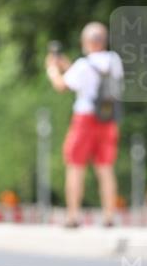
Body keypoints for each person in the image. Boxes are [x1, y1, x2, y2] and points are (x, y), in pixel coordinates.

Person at [46, 22, 123, 227]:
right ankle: (109, 215)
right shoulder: (114, 61)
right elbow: (90, 75)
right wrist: (68, 65)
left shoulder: (83, 65)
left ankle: (73, 216)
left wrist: (53, 69)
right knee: (105, 167)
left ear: (87, 42)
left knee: (75, 165)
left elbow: (62, 85)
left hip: (84, 119)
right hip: (108, 119)